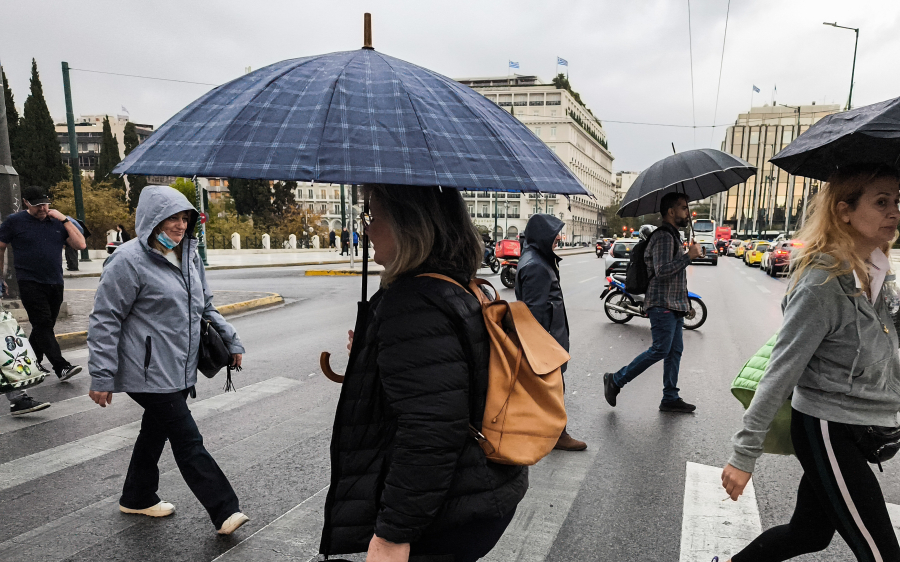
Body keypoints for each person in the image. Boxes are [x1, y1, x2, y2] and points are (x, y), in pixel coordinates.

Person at [320, 184, 527, 561]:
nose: (366, 227)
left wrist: (392, 535)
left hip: (447, 512)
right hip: (482, 490)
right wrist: (375, 353)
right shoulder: (453, 284)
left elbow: (429, 430)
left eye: (372, 215)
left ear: (406, 223)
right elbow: (451, 379)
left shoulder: (414, 303)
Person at [719, 164, 900, 562]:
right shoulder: (822, 283)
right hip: (828, 427)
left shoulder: (877, 271)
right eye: (881, 202)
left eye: (897, 201)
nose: (894, 212)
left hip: (864, 424)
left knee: (808, 534)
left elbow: (890, 348)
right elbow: (781, 370)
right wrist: (744, 454)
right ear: (844, 211)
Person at [87, 185, 249, 536]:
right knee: (187, 438)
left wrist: (231, 339)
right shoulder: (127, 260)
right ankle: (224, 509)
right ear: (152, 220)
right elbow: (105, 318)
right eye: (171, 218)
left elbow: (205, 306)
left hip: (178, 364)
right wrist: (101, 375)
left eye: (185, 218)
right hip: (145, 368)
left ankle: (137, 495)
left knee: (155, 430)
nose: (179, 225)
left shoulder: (188, 256)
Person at [603, 192, 701, 413]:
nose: (688, 213)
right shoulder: (664, 237)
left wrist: (685, 302)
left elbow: (676, 276)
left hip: (674, 304)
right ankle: (616, 380)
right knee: (660, 349)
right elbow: (662, 271)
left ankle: (670, 397)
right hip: (662, 304)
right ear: (671, 212)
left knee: (674, 351)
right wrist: (688, 257)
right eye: (683, 208)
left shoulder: (673, 236)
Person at [0, 185, 87, 416]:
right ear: (26, 203)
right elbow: (1, 247)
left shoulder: (57, 221)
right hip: (29, 281)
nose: (43, 208)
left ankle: (35, 362)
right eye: (37, 204)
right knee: (42, 322)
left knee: (44, 326)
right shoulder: (14, 222)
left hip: (55, 281)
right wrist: (1, 277)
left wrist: (65, 219)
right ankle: (61, 366)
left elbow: (80, 245)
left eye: (45, 203)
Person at [515, 214, 587, 451]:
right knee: (553, 388)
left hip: (548, 336)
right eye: (554, 234)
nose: (558, 238)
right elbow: (534, 312)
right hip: (546, 339)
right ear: (542, 236)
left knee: (548, 387)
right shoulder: (536, 265)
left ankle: (543, 431)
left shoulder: (537, 258)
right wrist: (542, 346)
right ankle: (557, 434)